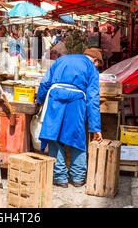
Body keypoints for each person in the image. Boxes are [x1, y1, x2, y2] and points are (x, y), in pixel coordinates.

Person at [36, 48, 103, 188]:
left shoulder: (62, 59)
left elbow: (45, 82)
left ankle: (60, 179)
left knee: (54, 137)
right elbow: (93, 100)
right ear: (96, 61)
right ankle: (78, 178)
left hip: (55, 99)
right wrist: (95, 128)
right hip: (76, 102)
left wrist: (40, 99)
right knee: (76, 138)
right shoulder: (92, 69)